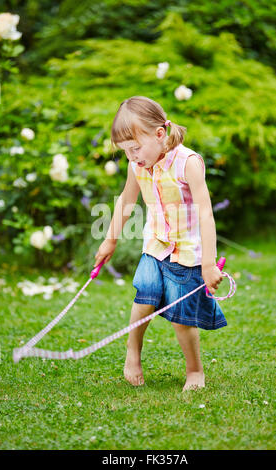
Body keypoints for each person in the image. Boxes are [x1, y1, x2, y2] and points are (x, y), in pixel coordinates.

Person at [94, 96, 227, 391]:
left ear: (159, 134)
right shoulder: (137, 166)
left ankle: (194, 371)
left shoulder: (188, 163)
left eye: (136, 148)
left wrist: (208, 263)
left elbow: (206, 214)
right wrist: (109, 241)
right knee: (145, 297)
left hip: (187, 253)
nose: (133, 157)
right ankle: (133, 352)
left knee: (182, 319)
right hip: (155, 246)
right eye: (127, 151)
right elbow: (126, 203)